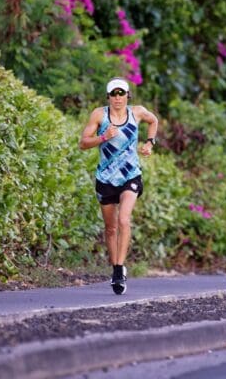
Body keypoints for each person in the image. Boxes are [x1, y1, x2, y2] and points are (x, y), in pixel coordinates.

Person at [79, 77, 158, 295]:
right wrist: (103, 137)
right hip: (105, 178)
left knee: (124, 219)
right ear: (108, 97)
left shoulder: (137, 112)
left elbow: (154, 121)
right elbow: (83, 143)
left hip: (130, 175)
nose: (117, 98)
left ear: (127, 96)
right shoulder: (99, 115)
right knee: (110, 227)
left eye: (121, 93)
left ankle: (118, 271)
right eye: (113, 94)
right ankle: (116, 266)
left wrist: (150, 143)